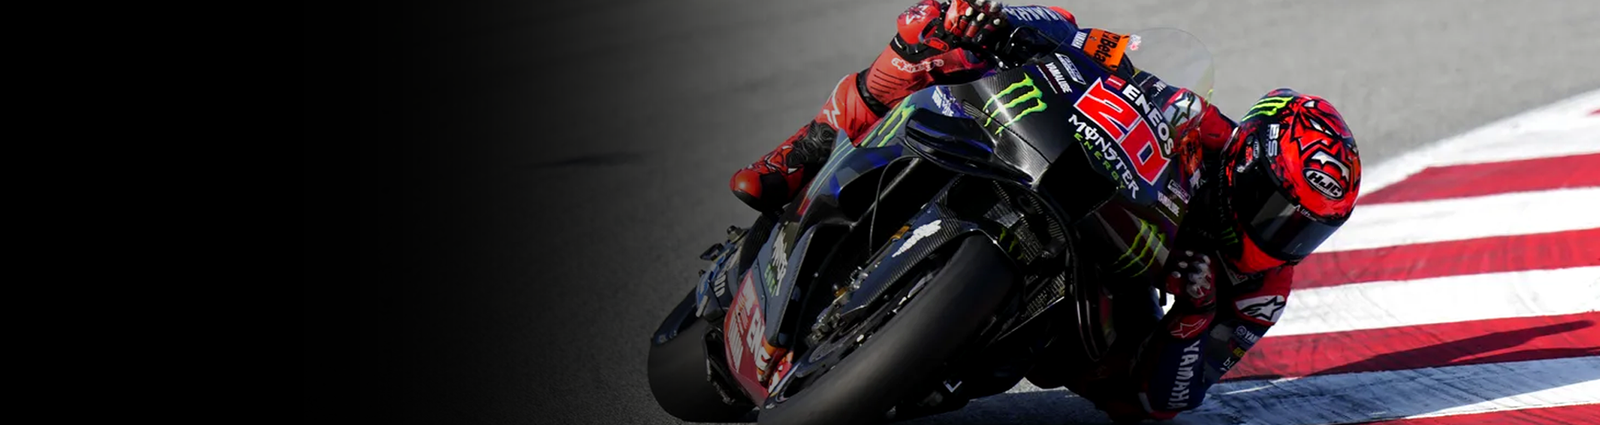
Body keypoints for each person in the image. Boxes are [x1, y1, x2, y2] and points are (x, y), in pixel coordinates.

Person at [728, 0, 1363, 422]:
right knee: (943, 30)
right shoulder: (1207, 126)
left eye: (1304, 231)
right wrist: (1012, 29)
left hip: (1110, 295)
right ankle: (800, 153)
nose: (1282, 238)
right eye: (1279, 212)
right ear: (1245, 163)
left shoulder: (1263, 289)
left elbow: (1169, 399)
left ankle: (942, 348)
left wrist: (1193, 318)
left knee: (1124, 392)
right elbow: (1107, 52)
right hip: (1071, 179)